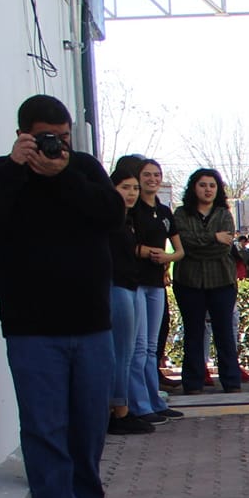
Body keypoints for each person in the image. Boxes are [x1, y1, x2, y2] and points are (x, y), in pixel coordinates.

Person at [0, 94, 134, 498]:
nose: (54, 145)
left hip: (91, 323)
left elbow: (112, 216)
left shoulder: (83, 169)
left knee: (90, 423)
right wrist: (18, 171)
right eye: (45, 137)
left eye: (62, 136)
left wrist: (65, 176)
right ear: (23, 133)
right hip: (31, 327)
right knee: (44, 426)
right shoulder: (0, 173)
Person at [168, 168, 244, 394]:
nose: (207, 189)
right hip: (188, 281)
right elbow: (184, 244)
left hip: (222, 280)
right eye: (203, 185)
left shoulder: (224, 214)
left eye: (212, 185)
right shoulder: (181, 213)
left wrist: (202, 244)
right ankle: (193, 382)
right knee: (193, 331)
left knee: (224, 332)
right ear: (194, 188)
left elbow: (223, 247)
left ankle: (231, 381)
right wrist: (212, 238)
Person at [104, 159, 156, 435]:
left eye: (135, 188)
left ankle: (125, 408)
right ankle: (119, 412)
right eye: (126, 188)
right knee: (121, 353)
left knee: (134, 350)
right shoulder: (109, 221)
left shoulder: (129, 220)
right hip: (117, 288)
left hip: (131, 287)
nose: (132, 193)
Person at [128, 158, 182, 409]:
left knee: (152, 347)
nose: (152, 179)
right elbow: (124, 246)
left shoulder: (164, 211)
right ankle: (141, 404)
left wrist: (167, 257)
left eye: (157, 174)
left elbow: (179, 250)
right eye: (147, 175)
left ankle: (154, 400)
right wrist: (145, 251)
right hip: (136, 282)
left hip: (157, 284)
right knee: (138, 348)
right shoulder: (132, 210)